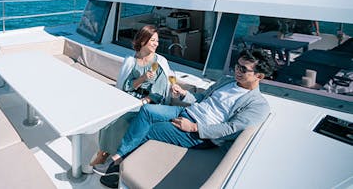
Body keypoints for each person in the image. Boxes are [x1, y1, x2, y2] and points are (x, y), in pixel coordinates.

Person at [99, 49, 275, 188]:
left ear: (259, 76)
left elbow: (230, 129)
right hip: (187, 112)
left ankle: (118, 171)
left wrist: (194, 128)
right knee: (146, 110)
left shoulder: (258, 104)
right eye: (237, 65)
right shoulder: (226, 81)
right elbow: (203, 98)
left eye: (243, 69)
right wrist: (184, 95)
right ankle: (119, 156)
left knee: (150, 129)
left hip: (200, 134)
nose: (237, 70)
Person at [89, 25, 172, 174]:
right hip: (130, 96)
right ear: (142, 41)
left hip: (148, 101)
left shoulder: (159, 62)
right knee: (108, 115)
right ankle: (103, 151)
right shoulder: (131, 60)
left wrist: (142, 102)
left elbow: (158, 92)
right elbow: (126, 86)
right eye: (153, 40)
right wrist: (143, 78)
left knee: (121, 118)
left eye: (157, 41)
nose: (156, 44)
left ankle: (111, 156)